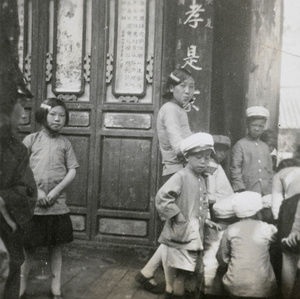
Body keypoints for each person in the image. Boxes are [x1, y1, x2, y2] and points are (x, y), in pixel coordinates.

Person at [135, 68, 195, 294]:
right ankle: (165, 284)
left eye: (191, 86)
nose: (188, 91)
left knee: (175, 228)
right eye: (183, 86)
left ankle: (147, 273)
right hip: (176, 172)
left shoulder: (179, 110)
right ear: (171, 88)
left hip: (180, 171)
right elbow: (179, 143)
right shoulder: (170, 109)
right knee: (176, 228)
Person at [19, 98, 79, 299]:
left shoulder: (65, 143)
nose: (57, 119)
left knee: (56, 248)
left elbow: (72, 170)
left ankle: (56, 289)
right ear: (43, 115)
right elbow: (20, 169)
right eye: (53, 114)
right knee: (28, 249)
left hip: (57, 206)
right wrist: (38, 192)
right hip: (34, 205)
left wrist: (55, 192)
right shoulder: (31, 140)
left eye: (62, 115)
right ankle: (20, 289)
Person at [156, 133, 219, 299]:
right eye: (198, 158)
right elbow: (162, 197)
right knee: (182, 274)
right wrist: (177, 216)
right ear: (187, 157)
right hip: (181, 235)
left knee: (189, 273)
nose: (203, 162)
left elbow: (203, 204)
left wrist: (207, 219)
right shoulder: (181, 177)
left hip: (193, 235)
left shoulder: (201, 179)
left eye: (206, 158)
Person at [0, 72, 37, 299]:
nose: (23, 112)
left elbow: (27, 191)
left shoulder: (18, 150)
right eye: (18, 104)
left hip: (6, 231)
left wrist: (3, 201)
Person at [216, 191, 278, 298]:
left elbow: (222, 258)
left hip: (234, 287)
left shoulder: (231, 229)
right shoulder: (267, 229)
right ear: (259, 213)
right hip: (262, 288)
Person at [202, 135, 235, 297]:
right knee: (213, 248)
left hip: (221, 211)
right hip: (219, 213)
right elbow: (211, 194)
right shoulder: (212, 166)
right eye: (218, 150)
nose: (221, 154)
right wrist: (211, 216)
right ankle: (208, 287)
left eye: (224, 151)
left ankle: (209, 284)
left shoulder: (215, 165)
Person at [271, 158, 300, 298]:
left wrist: (278, 223)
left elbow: (276, 201)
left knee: (288, 254)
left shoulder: (278, 175)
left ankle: (285, 294)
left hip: (292, 205)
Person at [230, 106, 273, 196]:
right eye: (254, 125)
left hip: (265, 191)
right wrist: (240, 189)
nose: (257, 129)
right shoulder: (240, 145)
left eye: (260, 126)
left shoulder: (265, 147)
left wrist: (270, 188)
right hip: (247, 190)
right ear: (248, 125)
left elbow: (269, 171)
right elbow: (235, 168)